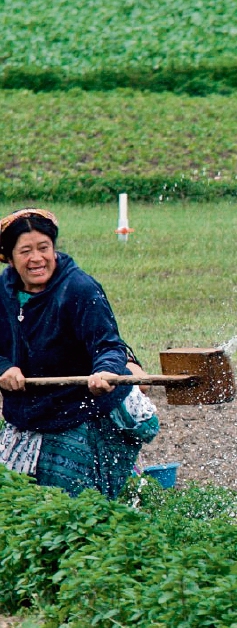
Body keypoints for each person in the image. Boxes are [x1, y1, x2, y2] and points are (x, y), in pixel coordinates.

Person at [0, 208, 158, 499]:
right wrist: (4, 367)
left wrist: (106, 371)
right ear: (9, 258)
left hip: (79, 407)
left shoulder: (79, 289)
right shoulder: (2, 292)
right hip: (30, 410)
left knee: (77, 502)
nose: (37, 259)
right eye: (25, 251)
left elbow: (108, 345)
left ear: (54, 249)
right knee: (16, 500)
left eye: (44, 248)